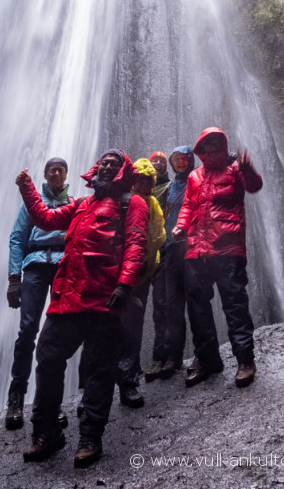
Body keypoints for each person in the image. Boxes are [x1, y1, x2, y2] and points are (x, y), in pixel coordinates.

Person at [14, 150, 147, 468]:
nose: (107, 166)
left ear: (123, 172)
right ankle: (47, 433)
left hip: (104, 300)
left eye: (114, 164)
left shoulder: (133, 204)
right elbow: (45, 218)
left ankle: (90, 437)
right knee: (47, 360)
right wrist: (27, 188)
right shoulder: (81, 205)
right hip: (66, 300)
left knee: (99, 370)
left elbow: (136, 244)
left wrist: (124, 285)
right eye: (104, 162)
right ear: (95, 169)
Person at [173, 128, 263, 389]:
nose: (212, 149)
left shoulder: (234, 169)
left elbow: (254, 186)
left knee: (235, 305)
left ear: (222, 146)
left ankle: (245, 360)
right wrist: (180, 226)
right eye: (207, 144)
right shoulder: (194, 175)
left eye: (216, 144)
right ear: (201, 148)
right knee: (198, 308)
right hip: (196, 251)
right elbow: (188, 205)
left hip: (227, 249)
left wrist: (247, 169)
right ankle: (207, 359)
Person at [5, 157, 72, 431]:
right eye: (51, 169)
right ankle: (16, 397)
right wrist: (13, 277)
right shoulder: (32, 204)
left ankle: (51, 402)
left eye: (60, 169)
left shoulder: (73, 203)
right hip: (33, 266)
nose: (56, 173)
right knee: (28, 330)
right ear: (45, 175)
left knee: (57, 335)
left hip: (61, 267)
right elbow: (17, 238)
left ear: (65, 175)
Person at [114, 157, 167, 407]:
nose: (143, 186)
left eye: (148, 182)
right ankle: (96, 386)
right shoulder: (122, 202)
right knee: (106, 328)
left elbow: (157, 236)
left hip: (142, 273)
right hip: (118, 273)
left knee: (133, 327)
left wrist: (148, 263)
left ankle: (129, 380)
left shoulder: (153, 204)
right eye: (139, 181)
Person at [145, 145, 193, 381]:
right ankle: (159, 357)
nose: (180, 163)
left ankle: (174, 356)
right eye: (177, 160)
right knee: (160, 306)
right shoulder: (166, 189)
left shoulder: (190, 183)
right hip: (161, 250)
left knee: (175, 304)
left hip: (182, 248)